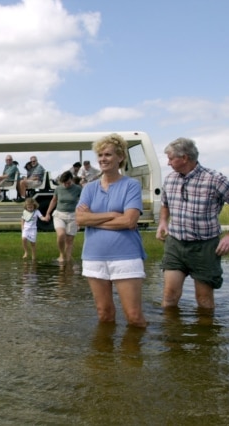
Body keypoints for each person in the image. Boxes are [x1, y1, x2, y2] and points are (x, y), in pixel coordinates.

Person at [155, 137, 229, 311]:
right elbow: (165, 203)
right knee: (169, 296)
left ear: (184, 158)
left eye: (170, 159)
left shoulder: (215, 179)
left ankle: (206, 337)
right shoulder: (170, 179)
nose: (168, 163)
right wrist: (163, 221)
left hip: (205, 247)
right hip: (175, 244)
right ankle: (169, 337)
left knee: (204, 301)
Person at [76, 133, 147, 328]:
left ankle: (134, 357)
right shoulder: (89, 188)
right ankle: (106, 358)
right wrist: (114, 215)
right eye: (100, 155)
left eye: (107, 154)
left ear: (120, 157)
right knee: (104, 314)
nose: (102, 159)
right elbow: (80, 219)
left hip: (126, 256)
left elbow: (130, 221)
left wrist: (93, 219)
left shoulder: (131, 185)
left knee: (134, 316)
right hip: (94, 256)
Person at [43, 170, 82, 264]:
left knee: (69, 240)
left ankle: (68, 260)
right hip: (59, 214)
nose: (66, 185)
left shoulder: (78, 189)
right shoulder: (59, 189)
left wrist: (80, 219)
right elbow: (53, 201)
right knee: (61, 235)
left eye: (68, 183)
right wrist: (47, 213)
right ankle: (61, 254)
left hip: (73, 215)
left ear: (72, 180)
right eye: (64, 183)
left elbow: (82, 204)